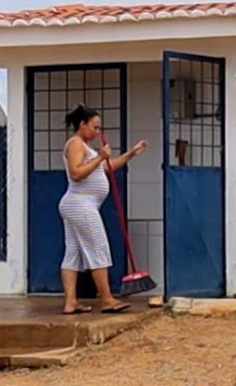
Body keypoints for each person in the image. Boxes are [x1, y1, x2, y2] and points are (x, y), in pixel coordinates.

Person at [59, 104, 148, 315]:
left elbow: (108, 167)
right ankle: (107, 299)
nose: (98, 132)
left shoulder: (85, 147)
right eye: (95, 127)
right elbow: (76, 173)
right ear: (82, 125)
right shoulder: (75, 144)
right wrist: (100, 157)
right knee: (99, 248)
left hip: (80, 205)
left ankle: (71, 302)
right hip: (80, 204)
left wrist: (131, 154)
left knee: (73, 254)